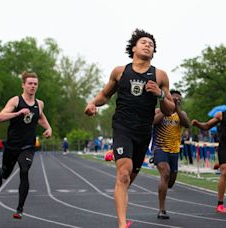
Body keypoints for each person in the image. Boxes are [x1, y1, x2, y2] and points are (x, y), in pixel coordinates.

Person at [84, 29, 175, 228]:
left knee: (127, 180)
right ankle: (122, 224)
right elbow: (104, 95)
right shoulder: (120, 71)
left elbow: (170, 109)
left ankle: (121, 195)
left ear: (153, 51)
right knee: (123, 175)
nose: (147, 45)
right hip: (122, 127)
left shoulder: (160, 75)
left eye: (151, 44)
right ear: (134, 48)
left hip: (143, 132)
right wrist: (92, 104)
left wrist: (159, 94)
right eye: (143, 42)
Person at [0, 71, 52, 220]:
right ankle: (0, 173)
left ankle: (20, 208)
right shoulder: (15, 101)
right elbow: (0, 117)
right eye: (30, 83)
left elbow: (40, 117)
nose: (33, 86)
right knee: (7, 172)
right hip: (12, 145)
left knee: (24, 170)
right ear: (23, 85)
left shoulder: (39, 103)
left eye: (35, 84)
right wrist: (18, 113)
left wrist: (48, 128)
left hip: (28, 146)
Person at [152, 89, 190, 219]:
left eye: (179, 99)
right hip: (160, 148)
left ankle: (163, 187)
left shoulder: (181, 113)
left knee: (171, 182)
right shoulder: (159, 111)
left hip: (174, 151)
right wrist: (166, 109)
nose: (176, 100)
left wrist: (177, 108)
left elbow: (187, 124)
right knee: (165, 173)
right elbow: (153, 122)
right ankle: (162, 210)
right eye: (174, 98)